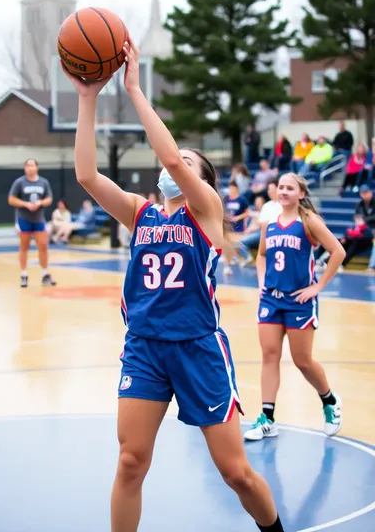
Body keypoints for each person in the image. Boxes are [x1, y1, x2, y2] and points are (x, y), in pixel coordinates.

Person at [62, 39, 286, 532]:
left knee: (236, 474)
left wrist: (136, 89)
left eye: (182, 160)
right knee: (129, 462)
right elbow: (85, 175)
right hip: (144, 345)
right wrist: (87, 97)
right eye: (170, 159)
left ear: (200, 179)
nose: (171, 163)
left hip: (197, 348)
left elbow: (176, 161)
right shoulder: (141, 213)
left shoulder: (205, 212)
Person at [244, 173, 345, 442]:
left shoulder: (308, 221)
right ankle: (268, 418)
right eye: (281, 187)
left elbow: (338, 252)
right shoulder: (269, 224)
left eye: (290, 188)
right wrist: (262, 282)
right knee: (269, 356)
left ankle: (330, 400)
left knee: (302, 361)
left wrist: (317, 287)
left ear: (301, 194)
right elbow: (262, 256)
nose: (284, 191)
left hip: (299, 301)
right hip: (271, 299)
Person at [8, 159, 56, 288]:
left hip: (39, 219)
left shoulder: (43, 182)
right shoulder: (19, 182)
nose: (30, 168)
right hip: (24, 218)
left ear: (37, 167)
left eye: (32, 165)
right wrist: (25, 204)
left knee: (43, 245)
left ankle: (45, 274)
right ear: (25, 168)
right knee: (24, 246)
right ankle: (24, 275)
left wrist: (40, 203)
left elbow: (49, 198)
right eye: (27, 166)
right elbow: (11, 199)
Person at [222, 181, 250, 274]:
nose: (231, 190)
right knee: (226, 245)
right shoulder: (226, 199)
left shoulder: (242, 199)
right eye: (230, 188)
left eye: (233, 188)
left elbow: (247, 212)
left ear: (236, 189)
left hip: (238, 226)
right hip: (228, 226)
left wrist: (237, 217)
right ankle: (227, 266)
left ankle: (242, 258)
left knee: (236, 245)